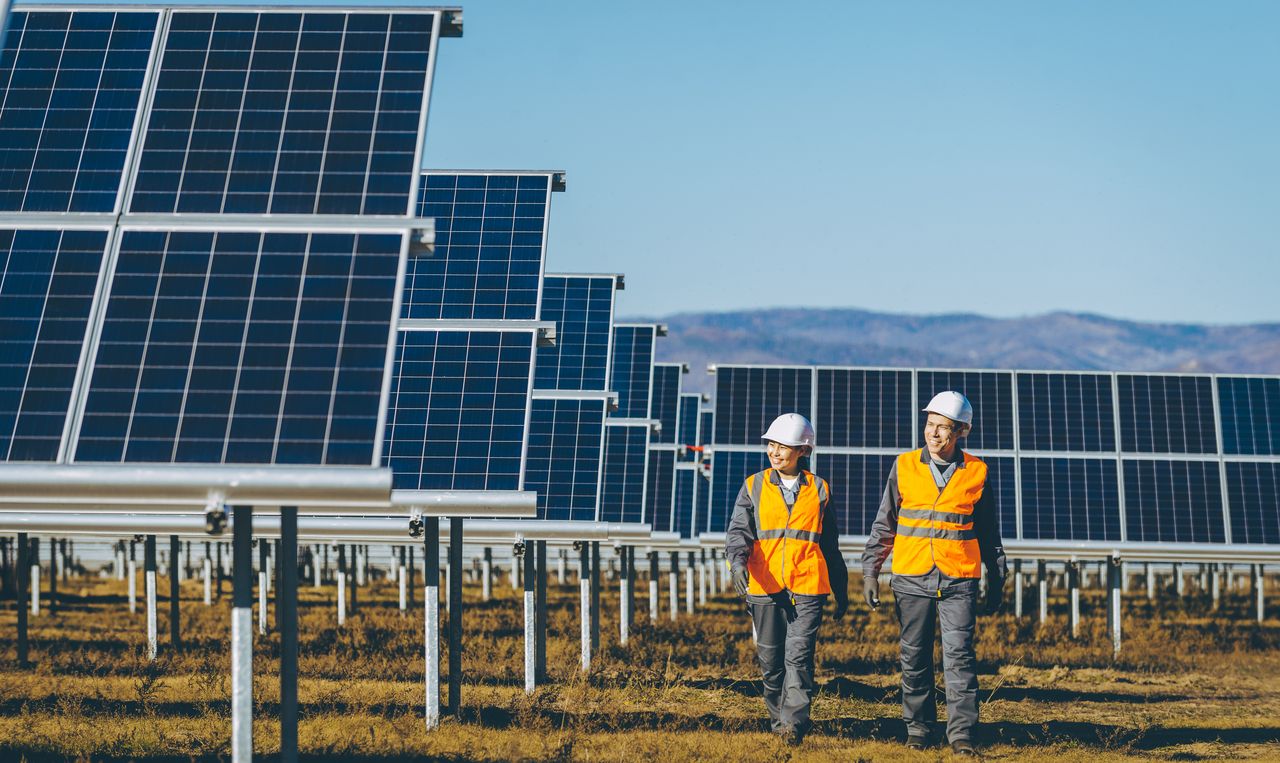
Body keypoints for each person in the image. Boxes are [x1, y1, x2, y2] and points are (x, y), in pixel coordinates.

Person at [860, 391, 1007, 757]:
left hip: (959, 578)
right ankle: (919, 729)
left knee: (960, 658)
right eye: (930, 425)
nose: (934, 434)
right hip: (911, 577)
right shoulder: (904, 465)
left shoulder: (977, 472)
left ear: (961, 432)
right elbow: (885, 524)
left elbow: (988, 532)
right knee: (914, 657)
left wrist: (998, 576)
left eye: (943, 428)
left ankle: (962, 736)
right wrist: (869, 571)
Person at [724, 413, 849, 746]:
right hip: (764, 587)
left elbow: (830, 543)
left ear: (803, 450)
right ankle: (778, 719)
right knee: (770, 660)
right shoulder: (753, 485)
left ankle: (792, 724)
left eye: (783, 446)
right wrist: (737, 565)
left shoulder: (820, 489)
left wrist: (841, 587)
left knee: (799, 655)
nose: (775, 452)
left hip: (807, 586)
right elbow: (738, 533)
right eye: (771, 444)